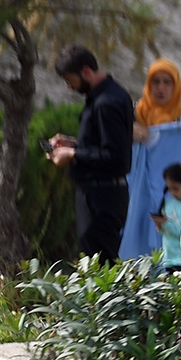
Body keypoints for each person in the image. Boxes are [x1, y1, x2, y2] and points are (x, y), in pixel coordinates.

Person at [44, 45, 134, 263]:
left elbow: (114, 156)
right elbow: (104, 145)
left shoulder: (106, 103)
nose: (68, 87)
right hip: (100, 195)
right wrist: (72, 144)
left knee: (101, 264)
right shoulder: (106, 96)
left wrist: (72, 153)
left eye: (69, 80)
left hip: (102, 198)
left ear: (86, 72)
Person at [123, 58, 181, 261]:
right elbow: (109, 141)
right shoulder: (133, 114)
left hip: (172, 195)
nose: (161, 88)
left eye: (167, 82)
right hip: (136, 193)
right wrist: (128, 131)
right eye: (156, 82)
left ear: (176, 86)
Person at [152, 161, 181, 273]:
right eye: (169, 189)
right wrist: (160, 225)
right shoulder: (168, 204)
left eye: (175, 189)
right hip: (169, 259)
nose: (172, 193)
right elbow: (167, 232)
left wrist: (166, 224)